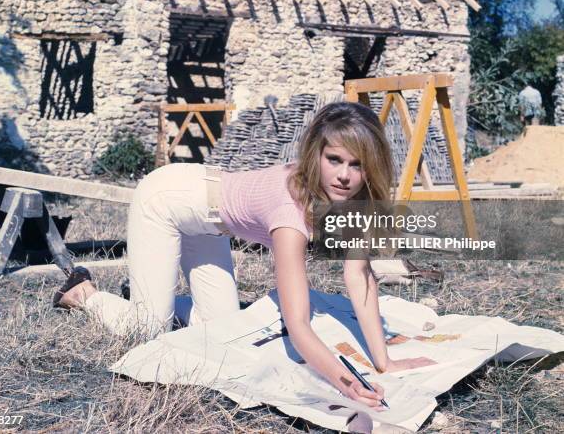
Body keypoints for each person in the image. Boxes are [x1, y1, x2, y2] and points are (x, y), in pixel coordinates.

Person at [53, 102, 434, 410]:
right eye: (334, 159)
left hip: (211, 220)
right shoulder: (291, 214)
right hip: (166, 200)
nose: (344, 176)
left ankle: (158, 296)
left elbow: (360, 277)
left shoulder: (352, 202)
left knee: (224, 330)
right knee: (150, 327)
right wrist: (348, 383)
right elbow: (298, 325)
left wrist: (384, 363)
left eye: (357, 165)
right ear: (316, 154)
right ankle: (84, 292)